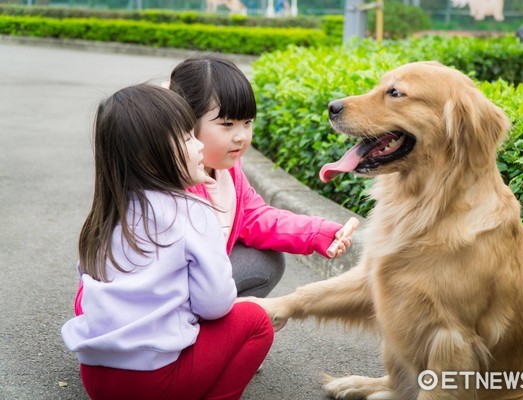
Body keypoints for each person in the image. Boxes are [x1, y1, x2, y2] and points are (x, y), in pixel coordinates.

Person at [62, 84, 273, 400]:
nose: (199, 145)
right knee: (257, 321)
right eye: (188, 137)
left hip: (96, 378)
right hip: (155, 381)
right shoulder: (193, 211)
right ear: (152, 157)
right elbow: (215, 305)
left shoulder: (105, 215)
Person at [167, 55, 353, 298]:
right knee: (257, 324)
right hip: (168, 295)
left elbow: (254, 216)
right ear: (185, 121)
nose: (241, 136)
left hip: (201, 285)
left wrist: (318, 233)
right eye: (227, 124)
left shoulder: (227, 171)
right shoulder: (167, 179)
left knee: (266, 261)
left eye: (247, 122)